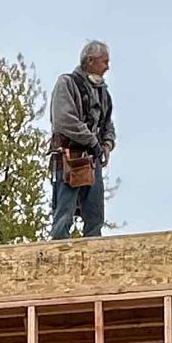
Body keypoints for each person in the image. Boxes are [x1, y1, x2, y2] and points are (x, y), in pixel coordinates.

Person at [49, 40, 114, 238]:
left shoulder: (103, 92)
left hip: (92, 161)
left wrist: (106, 145)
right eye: (104, 62)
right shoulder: (67, 84)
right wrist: (92, 142)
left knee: (95, 216)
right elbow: (64, 120)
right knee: (64, 215)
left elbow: (107, 124)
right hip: (70, 157)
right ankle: (57, 257)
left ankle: (94, 259)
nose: (107, 67)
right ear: (90, 61)